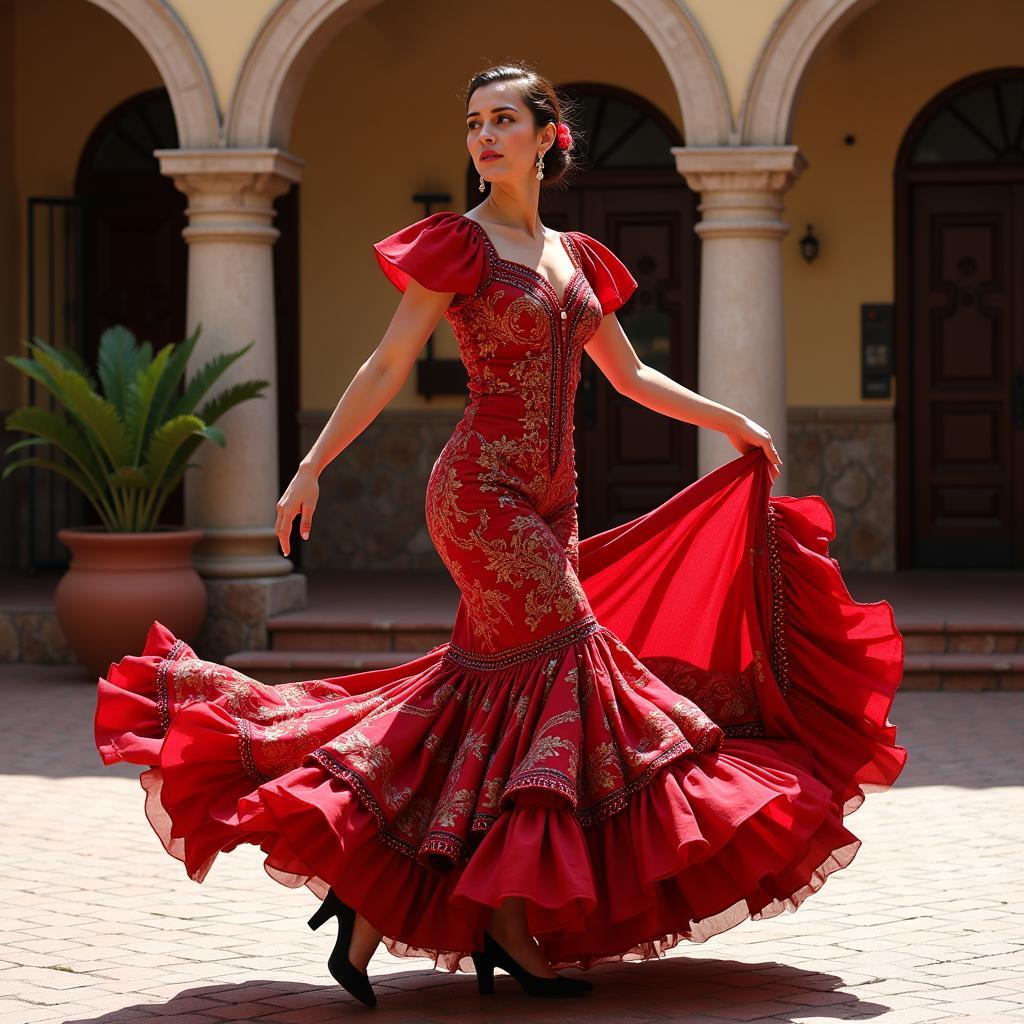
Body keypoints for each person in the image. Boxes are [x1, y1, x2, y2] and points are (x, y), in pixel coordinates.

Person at [95, 63, 907, 1009]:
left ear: (548, 136)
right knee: (573, 662)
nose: (484, 136)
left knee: (486, 705)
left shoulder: (576, 257)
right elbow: (389, 360)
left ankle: (373, 894)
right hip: (478, 493)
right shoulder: (460, 245)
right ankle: (507, 924)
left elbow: (633, 377)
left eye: (504, 120)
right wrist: (312, 465)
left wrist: (731, 419)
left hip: (552, 502)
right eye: (474, 122)